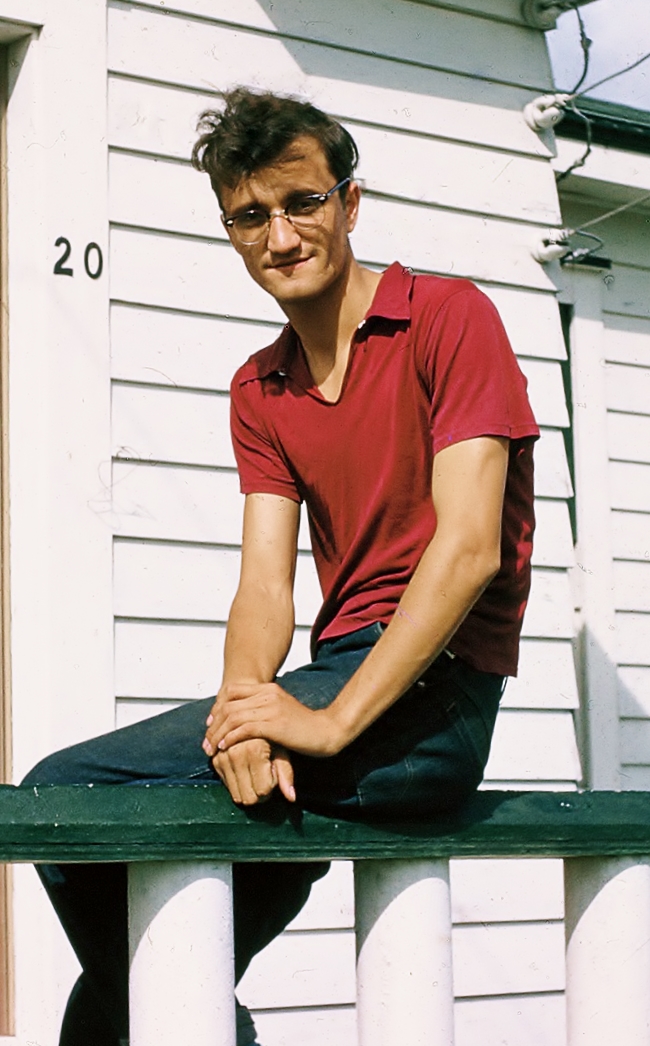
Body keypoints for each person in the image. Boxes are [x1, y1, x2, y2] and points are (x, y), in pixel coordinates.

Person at [23, 88, 539, 1046]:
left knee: (73, 803)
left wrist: (332, 721)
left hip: (435, 694)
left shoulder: (448, 319)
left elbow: (466, 549)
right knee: (111, 906)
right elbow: (266, 583)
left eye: (302, 202)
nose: (282, 234)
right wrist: (240, 718)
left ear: (350, 203)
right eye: (251, 215)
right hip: (327, 680)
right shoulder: (260, 387)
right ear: (231, 230)